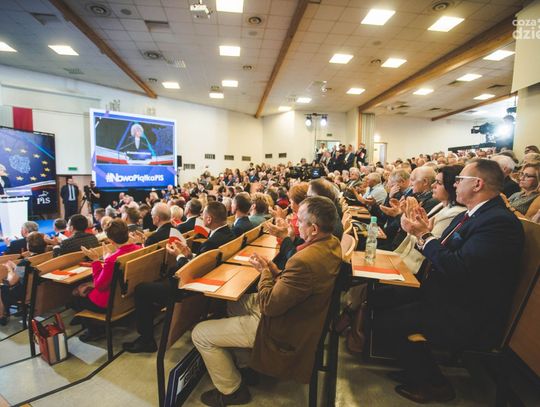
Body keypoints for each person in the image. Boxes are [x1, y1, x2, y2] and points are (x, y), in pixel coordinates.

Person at [377, 159, 524, 403]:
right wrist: (421, 233)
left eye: (459, 180)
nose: (454, 184)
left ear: (477, 184)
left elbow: (458, 268)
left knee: (392, 321)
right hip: (447, 296)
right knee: (383, 298)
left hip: (469, 312)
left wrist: (424, 235)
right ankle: (416, 369)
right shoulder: (472, 215)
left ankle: (435, 384)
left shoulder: (498, 222)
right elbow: (444, 252)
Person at [191, 196, 342, 406]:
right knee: (233, 303)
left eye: (299, 221)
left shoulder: (304, 260)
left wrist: (264, 272)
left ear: (314, 229)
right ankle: (247, 367)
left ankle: (232, 390)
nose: (295, 224)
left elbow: (269, 306)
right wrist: (274, 270)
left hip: (281, 328)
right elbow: (299, 284)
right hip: (298, 314)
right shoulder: (332, 243)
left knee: (200, 333)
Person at [123, 201, 235, 353]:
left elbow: (193, 270)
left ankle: (146, 340)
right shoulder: (228, 233)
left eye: (203, 215)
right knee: (164, 277)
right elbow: (203, 260)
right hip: (208, 280)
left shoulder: (212, 241)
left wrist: (179, 255)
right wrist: (189, 255)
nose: (201, 218)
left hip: (190, 288)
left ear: (209, 219)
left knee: (141, 289)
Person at [73, 219, 140, 341]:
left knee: (76, 296)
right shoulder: (138, 249)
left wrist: (96, 261)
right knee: (84, 289)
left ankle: (95, 330)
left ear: (110, 240)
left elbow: (100, 286)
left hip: (111, 302)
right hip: (129, 296)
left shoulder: (112, 260)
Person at [0, 232, 47, 325]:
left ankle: (1, 316)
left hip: (25, 293)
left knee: (2, 287)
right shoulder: (46, 255)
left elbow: (11, 282)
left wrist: (10, 269)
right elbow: (23, 271)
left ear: (28, 246)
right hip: (39, 288)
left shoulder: (25, 262)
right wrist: (16, 267)